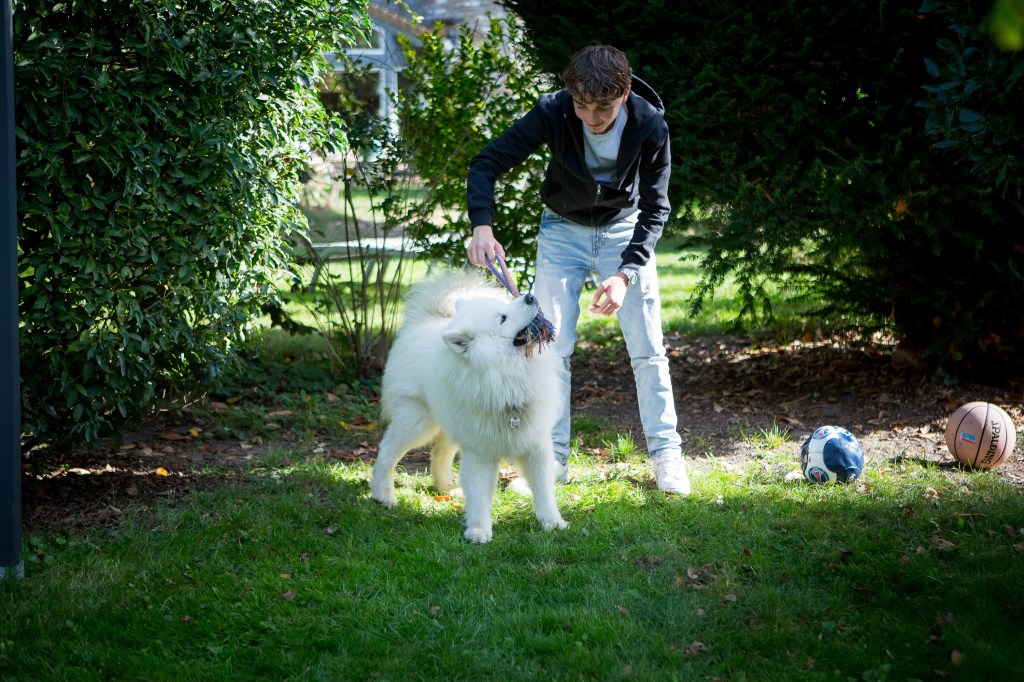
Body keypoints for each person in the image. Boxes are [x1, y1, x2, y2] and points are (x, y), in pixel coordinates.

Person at [465, 45, 690, 494]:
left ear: (624, 93)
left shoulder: (649, 124)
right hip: (561, 232)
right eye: (582, 105)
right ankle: (551, 462)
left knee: (648, 349)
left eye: (602, 107)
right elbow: (486, 162)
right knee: (549, 348)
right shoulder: (554, 111)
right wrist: (482, 226)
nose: (590, 117)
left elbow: (656, 208)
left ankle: (668, 458)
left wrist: (625, 273)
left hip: (623, 232)